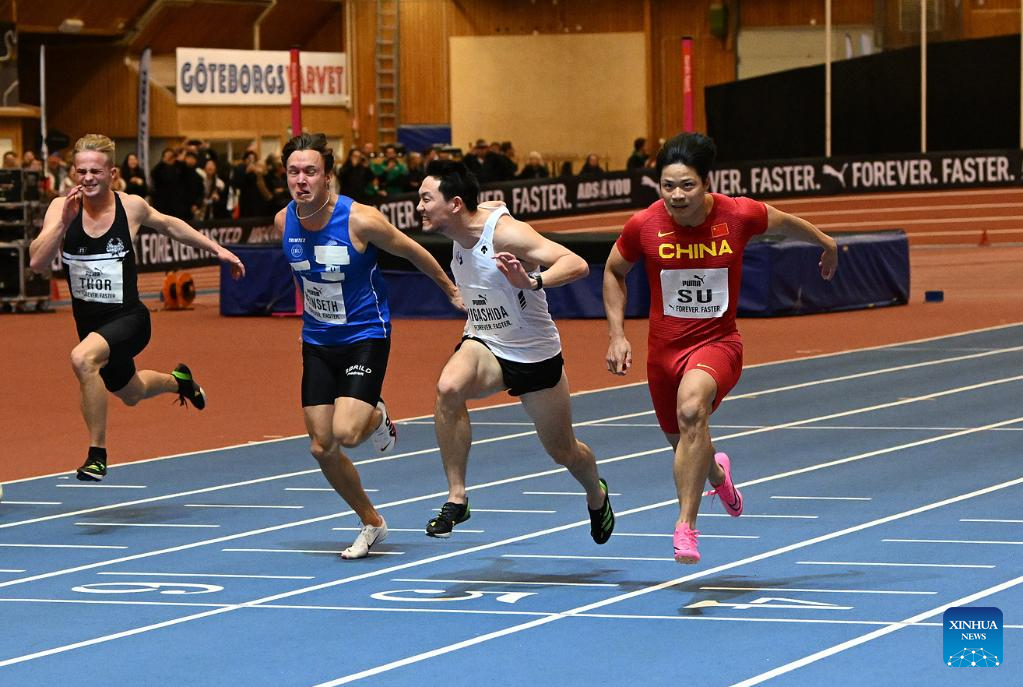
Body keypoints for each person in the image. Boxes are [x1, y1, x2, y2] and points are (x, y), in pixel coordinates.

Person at [603, 132, 838, 565]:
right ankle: (718, 474)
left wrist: (826, 243)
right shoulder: (645, 225)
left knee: (692, 411)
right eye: (668, 186)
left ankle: (685, 527)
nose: (676, 195)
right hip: (663, 354)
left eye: (687, 185)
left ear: (707, 183)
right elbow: (615, 271)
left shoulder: (737, 214)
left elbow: (785, 222)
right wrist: (617, 334)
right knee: (684, 442)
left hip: (718, 343)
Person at [276, 133, 463, 559]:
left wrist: (451, 290)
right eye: (293, 172)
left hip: (365, 335)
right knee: (321, 446)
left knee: (348, 432)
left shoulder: (360, 219)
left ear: (328, 176)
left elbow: (414, 250)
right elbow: (301, 276)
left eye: (310, 172)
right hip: (318, 341)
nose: (301, 180)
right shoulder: (282, 221)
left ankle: (377, 414)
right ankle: (371, 522)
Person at [416, 160, 615, 544]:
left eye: (427, 199)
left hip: (533, 354)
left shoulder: (506, 234)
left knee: (564, 451)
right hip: (485, 341)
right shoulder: (461, 227)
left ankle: (596, 493)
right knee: (448, 387)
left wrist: (532, 280)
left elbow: (576, 264)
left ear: (455, 203)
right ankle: (457, 497)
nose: (419, 207)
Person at [28, 134, 246, 482]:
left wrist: (217, 249)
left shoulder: (130, 206)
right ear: (72, 172)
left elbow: (170, 225)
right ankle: (180, 382)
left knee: (83, 359)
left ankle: (97, 455)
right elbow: (38, 263)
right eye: (81, 171)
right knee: (132, 392)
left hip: (129, 319)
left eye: (96, 172)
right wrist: (63, 223)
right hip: (91, 326)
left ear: (112, 173)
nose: (87, 179)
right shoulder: (60, 207)